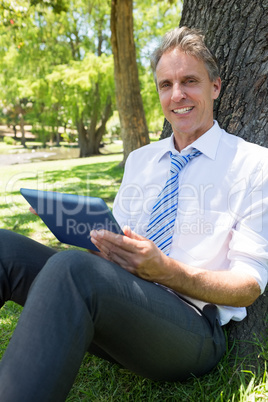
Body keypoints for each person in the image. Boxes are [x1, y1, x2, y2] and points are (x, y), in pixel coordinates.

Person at [0, 26, 267, 402]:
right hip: (124, 306)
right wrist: (75, 225)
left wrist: (166, 271)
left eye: (190, 81)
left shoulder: (253, 164)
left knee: (71, 269)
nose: (177, 95)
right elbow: (111, 256)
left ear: (216, 87)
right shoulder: (141, 161)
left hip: (192, 329)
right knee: (4, 248)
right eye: (165, 84)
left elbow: (250, 285)